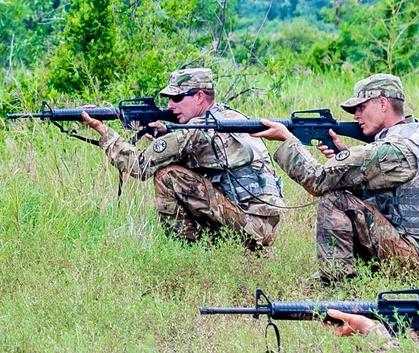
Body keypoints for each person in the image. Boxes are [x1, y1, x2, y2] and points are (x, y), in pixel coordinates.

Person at [254, 73, 419, 283]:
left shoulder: (391, 149)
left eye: (362, 108)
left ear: (382, 103)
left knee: (334, 200)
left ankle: (337, 282)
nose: (356, 116)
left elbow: (317, 179)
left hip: (418, 259)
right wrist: (346, 158)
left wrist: (287, 139)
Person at [80, 67, 283, 248]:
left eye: (177, 98)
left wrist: (102, 130)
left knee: (166, 175)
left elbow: (139, 166)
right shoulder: (231, 117)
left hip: (250, 224)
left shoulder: (196, 129)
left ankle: (190, 250)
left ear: (199, 96)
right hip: (265, 223)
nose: (170, 106)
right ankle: (244, 251)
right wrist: (166, 134)